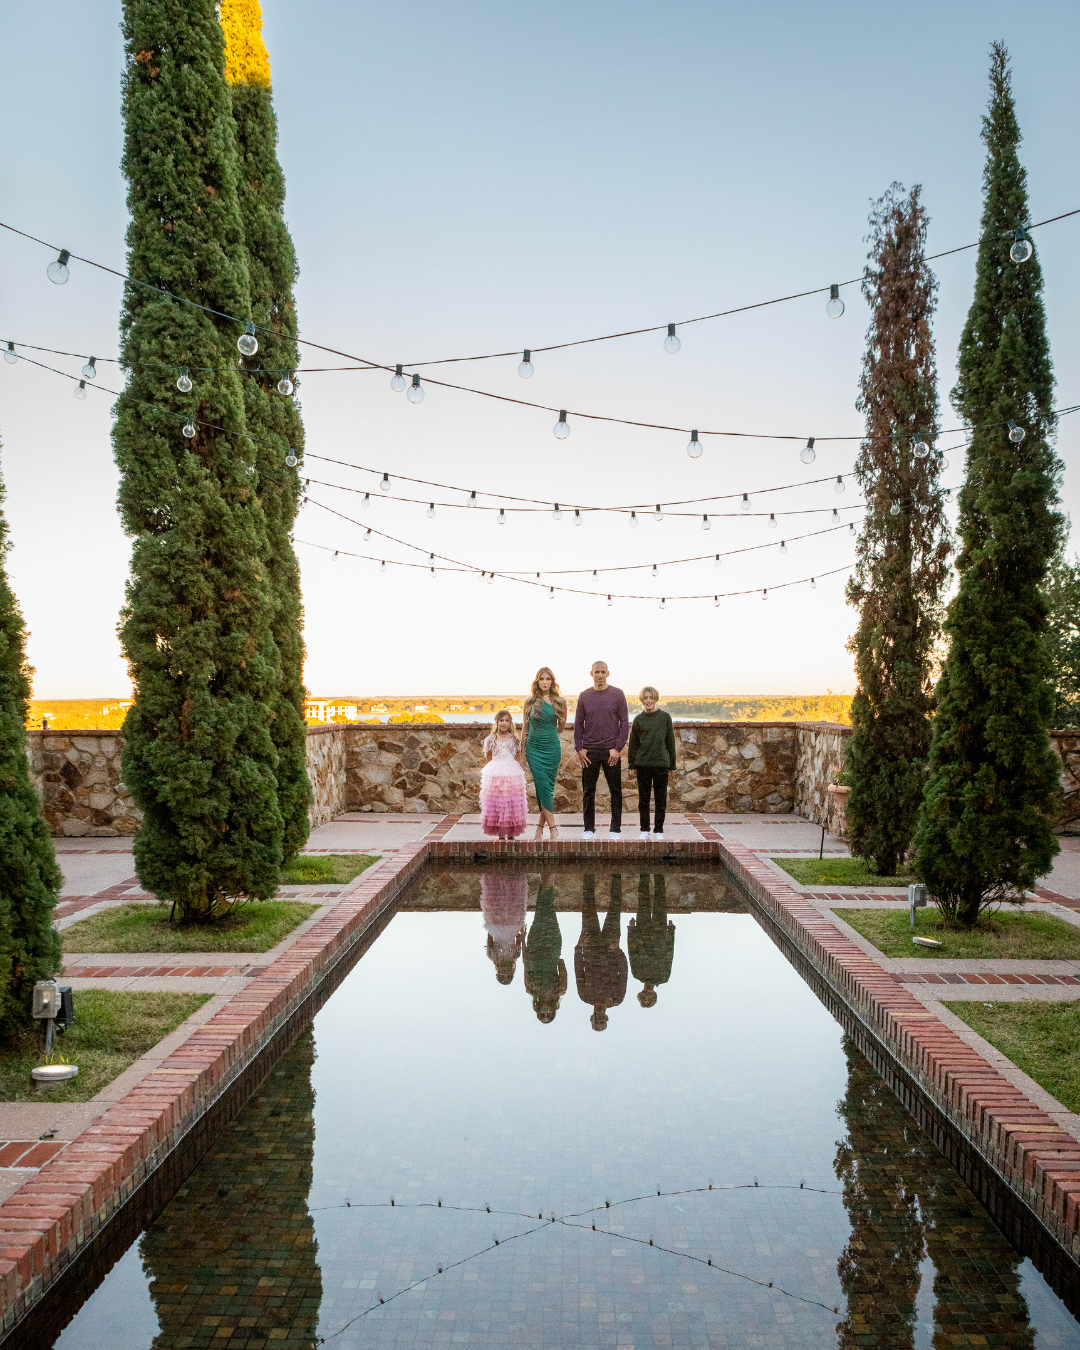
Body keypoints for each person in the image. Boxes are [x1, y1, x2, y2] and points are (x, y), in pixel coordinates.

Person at [574, 661, 629, 841]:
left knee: (616, 791)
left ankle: (616, 829)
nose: (599, 675)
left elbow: (624, 724)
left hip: (611, 752)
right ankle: (588, 828)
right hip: (589, 752)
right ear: (591, 674)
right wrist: (579, 748)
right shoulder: (584, 696)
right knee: (588, 791)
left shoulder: (617, 694)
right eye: (596, 672)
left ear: (608, 673)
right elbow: (578, 724)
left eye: (602, 672)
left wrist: (617, 748)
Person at [574, 873, 627, 1031]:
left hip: (590, 946)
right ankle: (616, 874)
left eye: (595, 1021)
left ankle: (588, 873)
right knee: (615, 907)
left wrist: (579, 946)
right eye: (601, 1021)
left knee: (588, 905)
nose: (598, 1019)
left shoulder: (585, 997)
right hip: (611, 947)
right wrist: (616, 951)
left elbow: (578, 970)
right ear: (606, 1018)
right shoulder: (617, 999)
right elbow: (623, 972)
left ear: (591, 1018)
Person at [520, 666, 567, 841]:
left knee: (547, 788)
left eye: (548, 679)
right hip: (533, 748)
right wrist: (522, 752)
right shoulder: (530, 702)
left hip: (552, 748)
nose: (545, 682)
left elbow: (561, 727)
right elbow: (525, 727)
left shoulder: (559, 701)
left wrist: (556, 723)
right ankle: (553, 828)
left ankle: (540, 828)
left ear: (552, 682)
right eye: (542, 679)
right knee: (542, 786)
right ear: (537, 682)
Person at [627, 686, 677, 840]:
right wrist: (632, 764)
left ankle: (659, 830)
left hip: (661, 764)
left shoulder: (665, 718)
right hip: (643, 764)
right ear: (642, 700)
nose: (648, 701)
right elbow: (633, 743)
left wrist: (672, 764)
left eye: (651, 698)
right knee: (644, 800)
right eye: (645, 698)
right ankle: (644, 830)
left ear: (656, 699)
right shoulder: (638, 720)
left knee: (661, 799)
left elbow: (670, 742)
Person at [523, 872, 567, 1022]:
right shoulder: (560, 990)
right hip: (551, 946)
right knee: (548, 911)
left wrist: (523, 942)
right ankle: (549, 877)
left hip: (534, 944)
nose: (546, 1011)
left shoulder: (530, 989)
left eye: (543, 1015)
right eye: (549, 1015)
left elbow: (526, 966)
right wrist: (552, 957)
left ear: (538, 1010)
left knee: (540, 911)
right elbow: (561, 965)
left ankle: (547, 877)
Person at [628, 872, 675, 1008]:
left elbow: (632, 952)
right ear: (654, 995)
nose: (648, 994)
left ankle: (644, 873)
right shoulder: (664, 977)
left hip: (642, 932)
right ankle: (659, 871)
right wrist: (671, 932)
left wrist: (631, 930)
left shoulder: (637, 974)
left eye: (645, 997)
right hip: (660, 933)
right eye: (650, 997)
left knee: (643, 899)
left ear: (641, 993)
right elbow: (669, 955)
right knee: (660, 899)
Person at [480, 710, 528, 839]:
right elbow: (489, 758)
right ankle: (500, 833)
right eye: (501, 720)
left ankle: (511, 832)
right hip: (495, 772)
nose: (504, 723)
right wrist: (496, 770)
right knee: (497, 802)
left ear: (510, 722)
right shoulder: (490, 739)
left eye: (507, 721)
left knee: (511, 801)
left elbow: (516, 756)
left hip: (511, 772)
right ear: (496, 722)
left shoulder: (514, 739)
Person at [481, 872, 528, 985]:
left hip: (496, 927)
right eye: (506, 972)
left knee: (499, 903)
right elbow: (519, 940)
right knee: (512, 903)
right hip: (512, 926)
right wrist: (521, 930)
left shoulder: (492, 955)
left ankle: (499, 876)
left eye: (502, 972)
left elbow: (490, 938)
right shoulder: (515, 954)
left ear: (498, 971)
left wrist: (490, 921)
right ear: (511, 970)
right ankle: (511, 876)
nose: (504, 970)